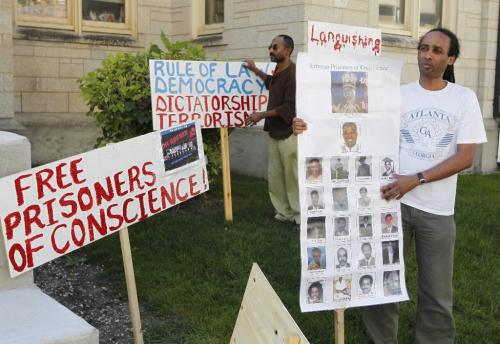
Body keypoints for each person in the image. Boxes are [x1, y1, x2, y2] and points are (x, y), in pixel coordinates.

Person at [292, 27, 487, 344]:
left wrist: (417, 179)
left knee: (436, 291)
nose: (427, 55)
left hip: (435, 209)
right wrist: (308, 125)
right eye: (424, 48)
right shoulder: (399, 94)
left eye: (437, 50)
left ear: (451, 58)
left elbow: (465, 157)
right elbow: (353, 123)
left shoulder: (464, 99)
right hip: (389, 203)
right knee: (382, 284)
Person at [243, 34, 299, 225]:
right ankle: (283, 213)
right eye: (270, 46)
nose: (271, 50)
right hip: (275, 133)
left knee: (292, 178)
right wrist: (254, 69)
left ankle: (299, 216)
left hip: (289, 134)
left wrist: (261, 115)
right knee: (275, 177)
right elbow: (270, 83)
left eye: (275, 47)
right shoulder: (277, 71)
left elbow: (289, 108)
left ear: (288, 50)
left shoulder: (293, 73)